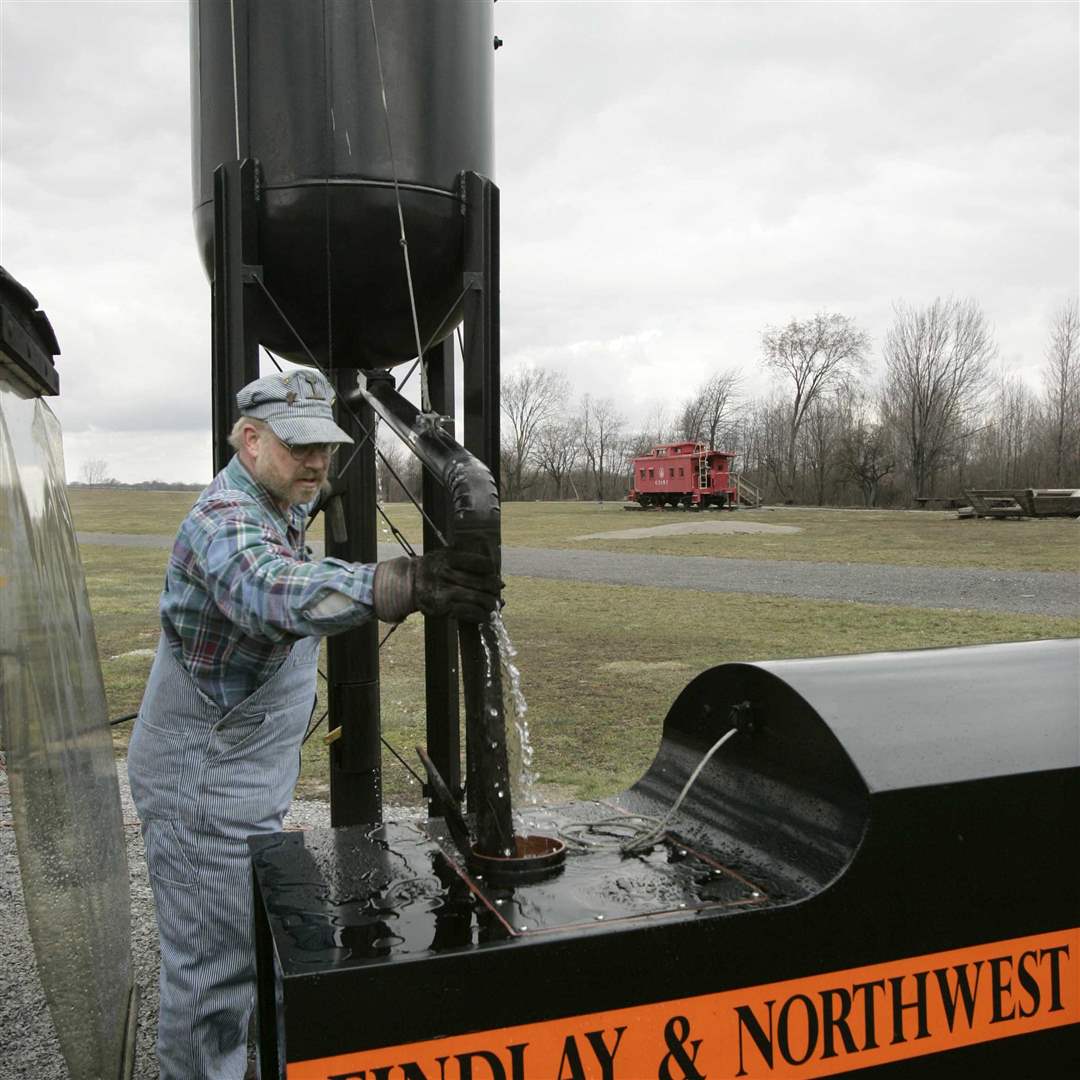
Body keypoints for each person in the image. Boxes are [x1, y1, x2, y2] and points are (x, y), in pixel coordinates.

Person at [127, 368, 499, 1080]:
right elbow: (270, 589)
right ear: (249, 440)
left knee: (246, 946)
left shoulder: (278, 499)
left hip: (244, 773)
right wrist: (403, 581)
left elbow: (295, 521)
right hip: (202, 781)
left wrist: (318, 477)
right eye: (299, 447)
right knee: (210, 975)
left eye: (325, 446)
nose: (319, 462)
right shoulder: (222, 521)